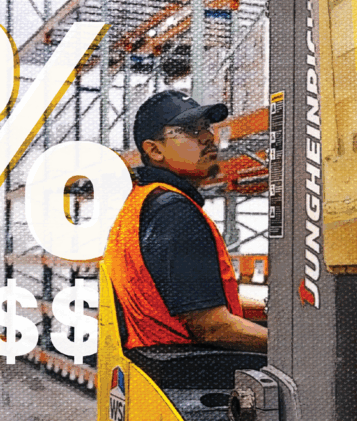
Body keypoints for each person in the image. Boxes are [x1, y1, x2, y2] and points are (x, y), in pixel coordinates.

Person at [103, 90, 267, 354]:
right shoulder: (175, 213)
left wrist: (270, 310)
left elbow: (190, 303)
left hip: (154, 363)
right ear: (154, 150)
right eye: (189, 130)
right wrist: (291, 349)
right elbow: (211, 328)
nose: (207, 137)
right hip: (187, 370)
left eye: (206, 127)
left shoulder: (146, 200)